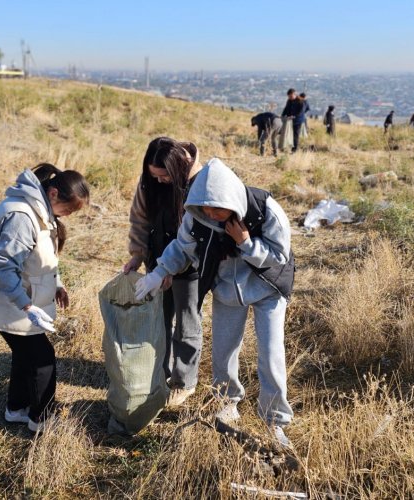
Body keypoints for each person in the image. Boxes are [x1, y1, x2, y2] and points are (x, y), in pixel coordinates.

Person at [134, 160, 296, 448]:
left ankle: (275, 421)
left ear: (231, 200)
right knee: (223, 351)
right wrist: (160, 272)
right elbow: (182, 248)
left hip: (268, 288)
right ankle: (227, 402)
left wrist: (246, 243)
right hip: (226, 290)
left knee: (270, 354)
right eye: (205, 208)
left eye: (217, 208)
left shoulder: (265, 210)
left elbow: (279, 257)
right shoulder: (198, 216)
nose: (211, 214)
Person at [0, 163, 90, 433]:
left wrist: (56, 283)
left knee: (25, 354)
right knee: (41, 358)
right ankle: (42, 418)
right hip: (11, 303)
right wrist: (27, 305)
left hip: (19, 301)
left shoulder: (38, 211)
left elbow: (39, 258)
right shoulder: (21, 215)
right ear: (54, 193)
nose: (67, 216)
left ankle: (17, 408)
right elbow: (5, 267)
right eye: (68, 210)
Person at [122, 137, 205, 407]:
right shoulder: (149, 183)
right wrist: (138, 255)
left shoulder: (198, 182)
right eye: (154, 176)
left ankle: (184, 382)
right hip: (156, 258)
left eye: (164, 177)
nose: (159, 182)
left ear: (177, 168)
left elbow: (193, 235)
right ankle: (158, 373)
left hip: (190, 263)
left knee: (186, 320)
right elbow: (140, 218)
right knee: (158, 318)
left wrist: (171, 267)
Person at [279, 88, 303, 153]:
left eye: (291, 96)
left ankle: (294, 149)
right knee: (288, 134)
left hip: (297, 121)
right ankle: (286, 146)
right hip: (289, 120)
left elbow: (300, 111)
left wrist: (294, 116)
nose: (290, 97)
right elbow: (286, 109)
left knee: (295, 135)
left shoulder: (300, 101)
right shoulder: (289, 101)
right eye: (289, 96)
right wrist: (282, 115)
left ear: (295, 94)